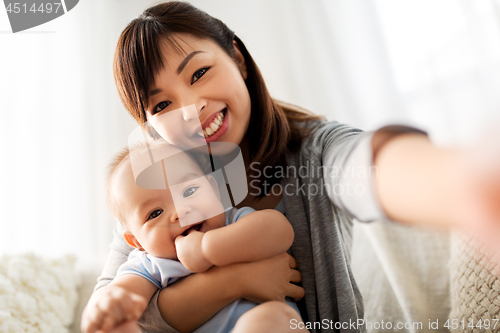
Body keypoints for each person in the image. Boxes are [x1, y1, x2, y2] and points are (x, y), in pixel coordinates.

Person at [82, 2, 500, 333]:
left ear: (238, 60)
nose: (190, 111)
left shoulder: (315, 153)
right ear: (148, 125)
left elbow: (366, 168)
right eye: (161, 105)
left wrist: (461, 182)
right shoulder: (150, 194)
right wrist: (234, 282)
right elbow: (113, 313)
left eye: (200, 72)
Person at [84, 141, 305, 333]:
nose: (180, 211)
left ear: (213, 189)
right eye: (155, 213)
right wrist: (106, 306)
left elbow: (280, 231)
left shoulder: (235, 222)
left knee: (274, 318)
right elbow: (123, 292)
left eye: (189, 191)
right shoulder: (152, 264)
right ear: (137, 242)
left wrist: (206, 248)